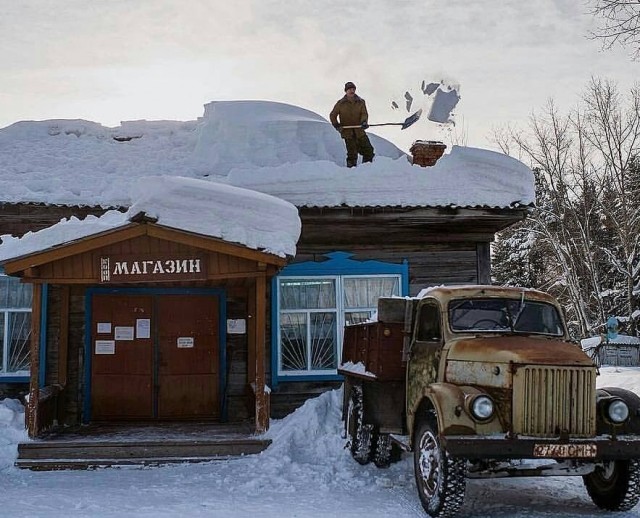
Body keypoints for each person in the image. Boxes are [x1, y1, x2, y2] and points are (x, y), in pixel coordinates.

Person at [329, 82, 375, 167]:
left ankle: (367, 170)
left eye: (353, 89)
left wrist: (364, 122)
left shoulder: (361, 102)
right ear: (346, 91)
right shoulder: (340, 104)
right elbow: (333, 115)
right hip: (347, 133)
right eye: (350, 89)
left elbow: (364, 113)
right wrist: (337, 125)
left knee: (369, 151)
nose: (352, 91)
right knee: (352, 154)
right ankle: (351, 173)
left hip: (359, 131)